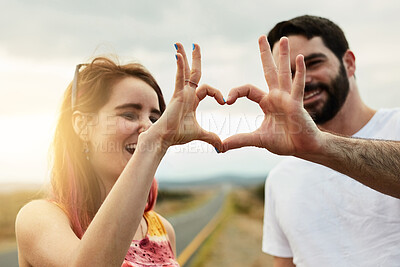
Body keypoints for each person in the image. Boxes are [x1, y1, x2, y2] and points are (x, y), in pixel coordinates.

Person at [15, 43, 225, 267]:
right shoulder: (39, 218)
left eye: (155, 119)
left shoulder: (162, 229)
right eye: (129, 114)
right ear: (82, 125)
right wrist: (153, 143)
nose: (149, 127)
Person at [219, 15, 400, 266]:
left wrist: (322, 146)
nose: (301, 81)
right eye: (289, 72)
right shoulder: (280, 180)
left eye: (312, 63)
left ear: (349, 63)